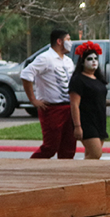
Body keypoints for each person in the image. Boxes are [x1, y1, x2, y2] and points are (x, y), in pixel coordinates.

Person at [20, 29, 76, 159]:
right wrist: (33, 99)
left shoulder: (68, 61)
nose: (70, 43)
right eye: (68, 39)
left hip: (69, 107)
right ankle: (31, 167)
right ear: (59, 41)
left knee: (68, 146)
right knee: (51, 146)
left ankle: (64, 174)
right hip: (52, 108)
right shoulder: (45, 58)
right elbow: (26, 74)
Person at [68, 41, 109, 159]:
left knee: (91, 155)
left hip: (99, 120)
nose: (94, 61)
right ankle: (76, 175)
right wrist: (77, 126)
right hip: (86, 121)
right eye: (90, 59)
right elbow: (74, 105)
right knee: (96, 153)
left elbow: (97, 99)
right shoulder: (78, 80)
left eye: (96, 58)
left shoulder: (98, 79)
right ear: (82, 62)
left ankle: (86, 175)